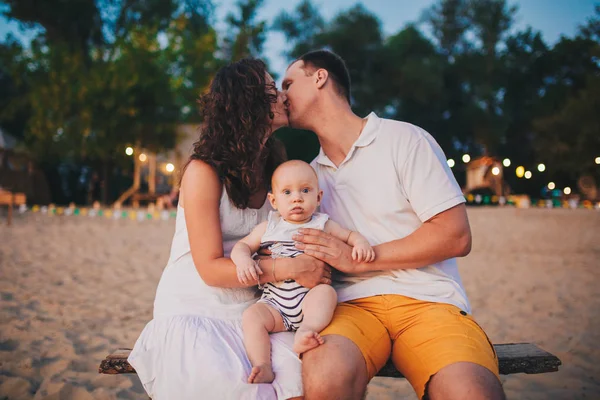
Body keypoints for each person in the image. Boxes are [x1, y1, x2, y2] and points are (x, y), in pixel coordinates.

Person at [281, 50, 506, 400]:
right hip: (350, 306)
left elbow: (455, 235)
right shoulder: (309, 178)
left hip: (429, 301)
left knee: (471, 392)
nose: (282, 96)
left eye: (289, 84)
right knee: (325, 379)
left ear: (320, 78)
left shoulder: (405, 140)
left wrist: (359, 259)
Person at [128, 58, 331, 400]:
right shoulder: (203, 172)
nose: (283, 97)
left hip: (258, 308)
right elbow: (208, 268)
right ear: (248, 105)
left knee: (306, 380)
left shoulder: (277, 169)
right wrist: (290, 268)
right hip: (197, 306)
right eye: (271, 91)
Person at [230, 160, 374, 384]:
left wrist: (361, 243)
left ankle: (305, 331)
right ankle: (262, 364)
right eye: (287, 192)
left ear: (318, 197)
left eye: (305, 190)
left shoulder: (322, 224)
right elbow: (242, 246)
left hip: (310, 300)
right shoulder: (268, 228)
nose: (297, 198)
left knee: (326, 293)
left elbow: (349, 236)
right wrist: (243, 261)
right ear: (274, 201)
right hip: (274, 305)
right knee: (251, 317)